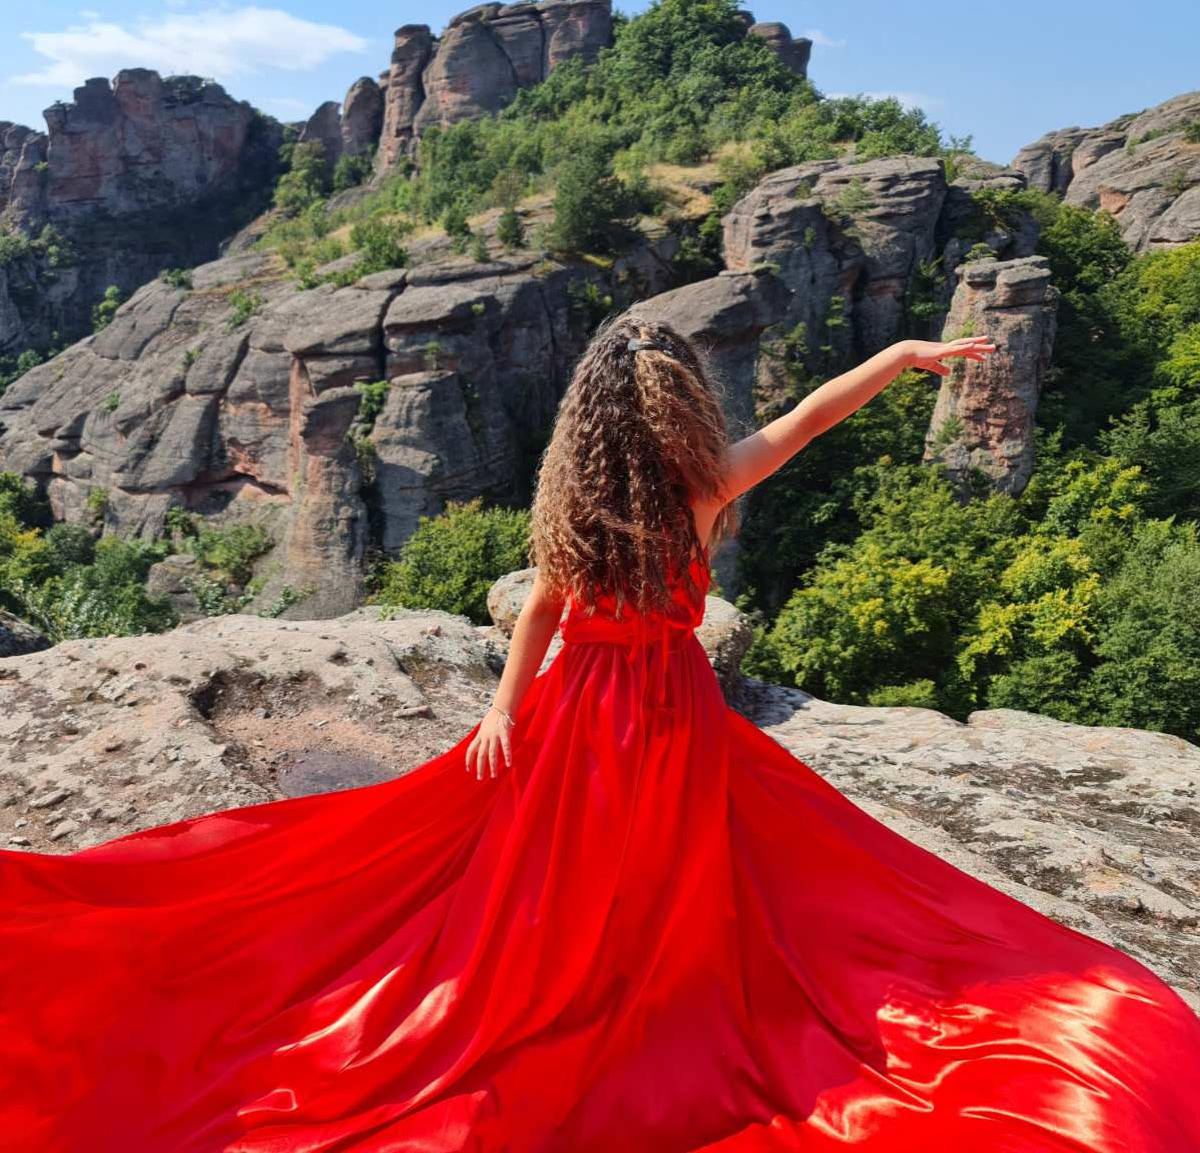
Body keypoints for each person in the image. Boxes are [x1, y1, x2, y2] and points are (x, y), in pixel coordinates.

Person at [1, 311, 1198, 1152]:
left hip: (587, 706)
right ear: (676, 411)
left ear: (586, 425)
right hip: (673, 711)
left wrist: (506, 712)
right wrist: (902, 353)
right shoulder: (706, 484)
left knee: (548, 871)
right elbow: (813, 419)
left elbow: (539, 616)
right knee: (672, 863)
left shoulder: (574, 507)